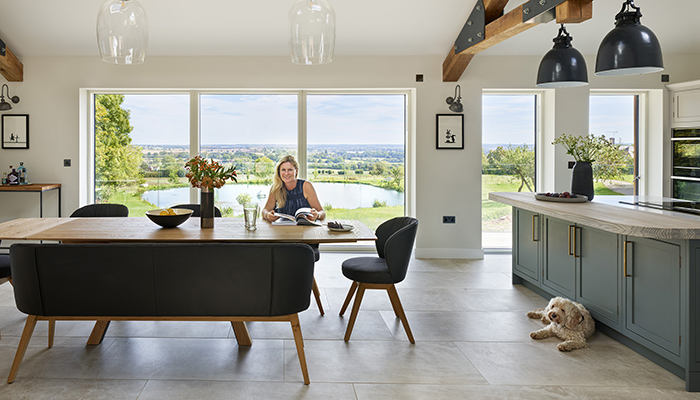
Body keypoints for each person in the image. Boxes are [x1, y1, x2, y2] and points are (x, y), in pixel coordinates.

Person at [262, 155, 325, 223]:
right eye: (283, 170)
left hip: (303, 230)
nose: (286, 173)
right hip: (281, 230)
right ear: (279, 172)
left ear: (296, 171)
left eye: (290, 170)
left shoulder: (306, 186)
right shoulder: (276, 188)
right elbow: (265, 210)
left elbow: (322, 212)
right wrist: (267, 215)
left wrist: (317, 215)